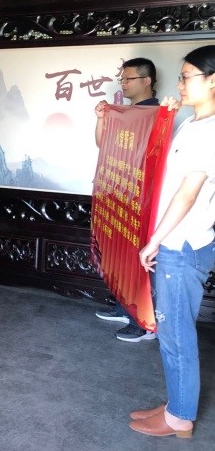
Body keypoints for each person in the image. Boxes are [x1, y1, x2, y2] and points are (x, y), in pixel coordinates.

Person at [129, 45, 215, 439]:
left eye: (186, 77)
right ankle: (176, 404)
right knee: (172, 331)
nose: (179, 83)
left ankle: (180, 417)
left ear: (212, 81)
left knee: (176, 335)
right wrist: (168, 117)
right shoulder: (194, 123)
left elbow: (187, 194)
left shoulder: (211, 131)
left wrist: (155, 241)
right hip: (179, 242)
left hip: (181, 246)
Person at [94, 57, 159, 342]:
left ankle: (142, 322)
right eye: (122, 79)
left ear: (147, 81)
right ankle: (124, 307)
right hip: (119, 195)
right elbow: (102, 144)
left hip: (140, 199)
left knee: (138, 260)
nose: (123, 84)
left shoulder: (157, 114)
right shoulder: (125, 113)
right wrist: (101, 119)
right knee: (121, 256)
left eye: (128, 79)